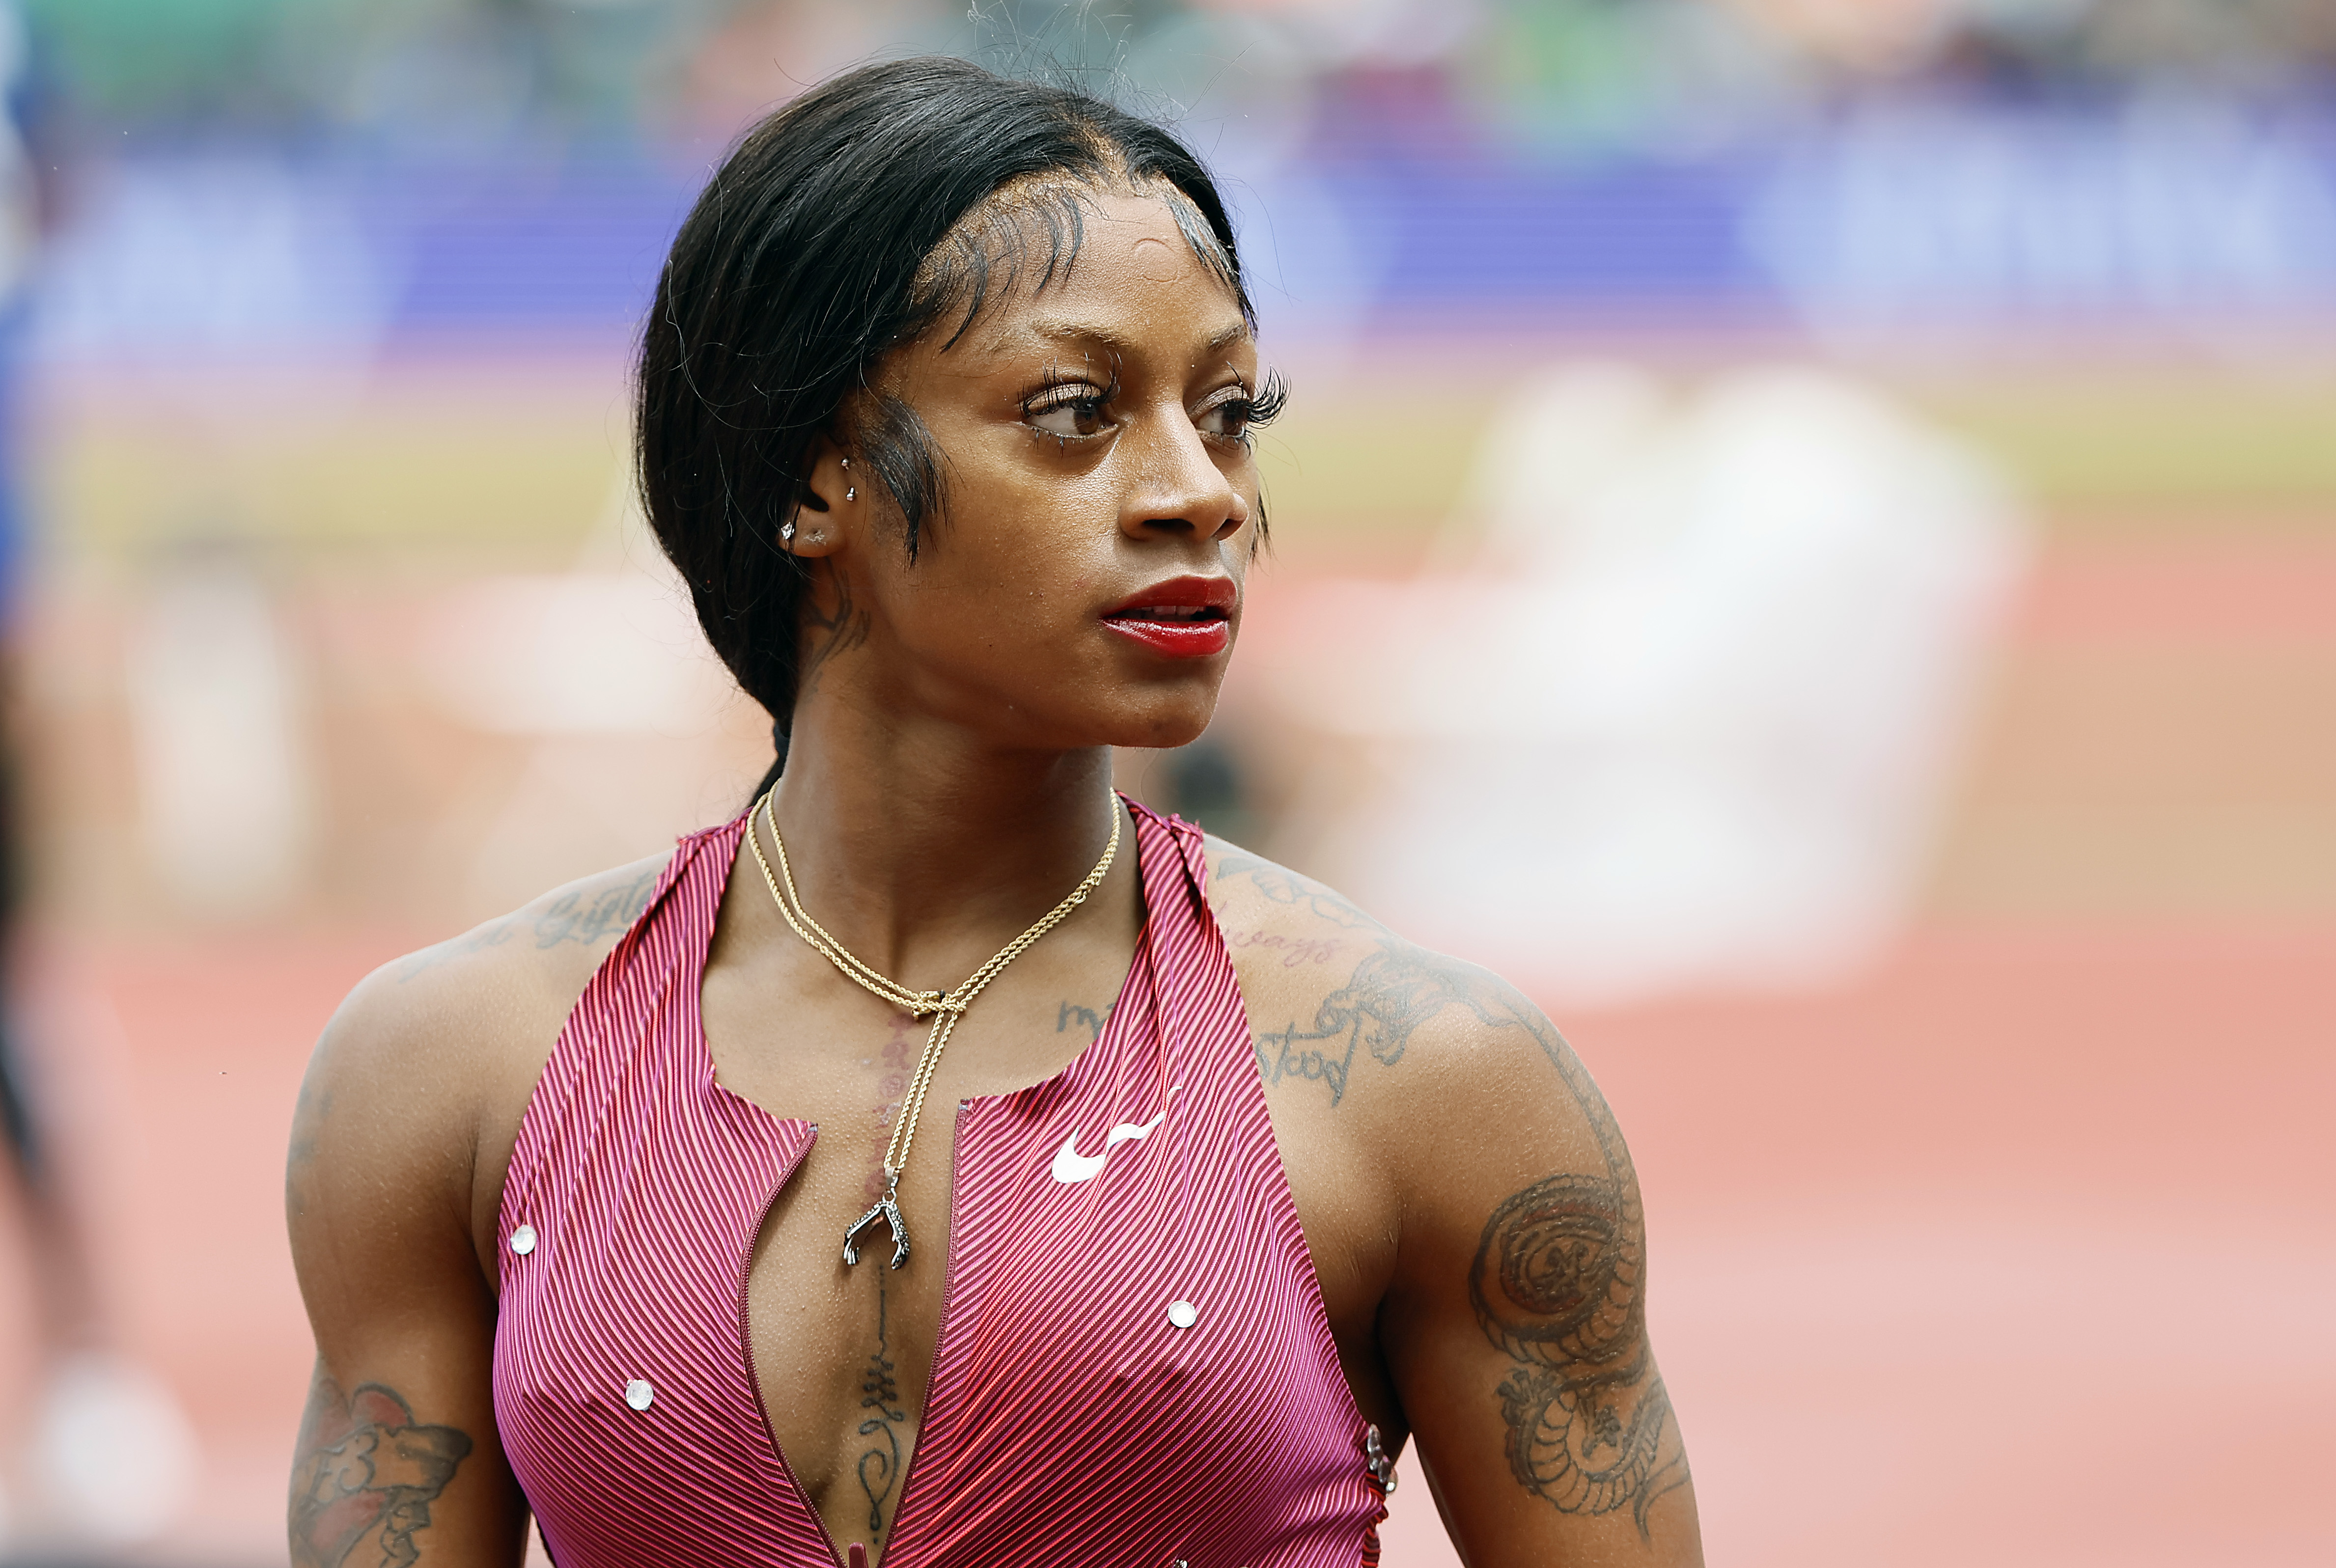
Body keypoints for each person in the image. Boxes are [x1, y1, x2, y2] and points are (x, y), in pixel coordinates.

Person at [285, 57, 1702, 1568]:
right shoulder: (445, 1075)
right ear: (815, 470)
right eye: (1077, 411)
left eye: (1229, 411)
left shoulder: (1428, 1084)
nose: (1199, 494)